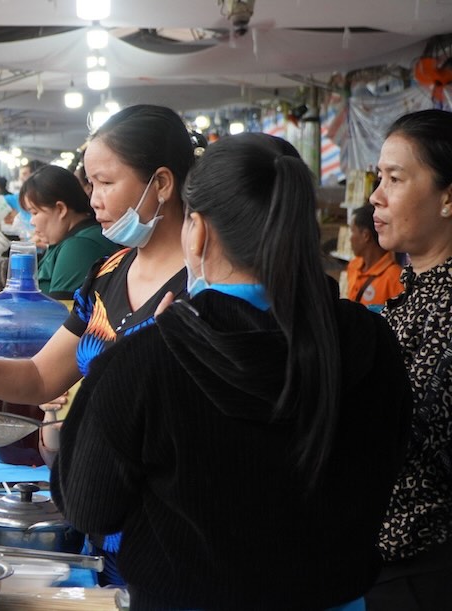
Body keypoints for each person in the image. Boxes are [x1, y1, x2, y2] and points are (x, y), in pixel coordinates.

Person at [53, 132, 413, 610]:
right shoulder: (369, 341)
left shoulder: (145, 362)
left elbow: (89, 507)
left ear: (197, 231)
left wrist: (63, 446)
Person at [0, 105, 195, 585]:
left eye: (105, 182)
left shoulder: (207, 285)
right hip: (104, 523)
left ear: (161, 184)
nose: (93, 198)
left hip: (175, 532)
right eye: (91, 183)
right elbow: (39, 378)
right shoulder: (107, 274)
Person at [364, 109, 452, 611]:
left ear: (448, 197)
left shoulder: (445, 305)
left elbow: (407, 430)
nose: (376, 195)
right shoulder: (416, 294)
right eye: (379, 178)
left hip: (426, 572)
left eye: (395, 179)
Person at [20, 164, 119, 299]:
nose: (32, 221)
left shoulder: (79, 246)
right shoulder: (65, 241)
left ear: (61, 209)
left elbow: (57, 315)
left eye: (34, 212)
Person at [345, 203, 403, 309]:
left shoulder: (396, 278)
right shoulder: (353, 266)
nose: (350, 238)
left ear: (366, 235)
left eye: (353, 231)